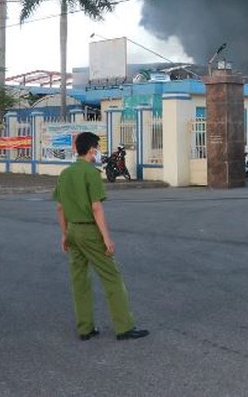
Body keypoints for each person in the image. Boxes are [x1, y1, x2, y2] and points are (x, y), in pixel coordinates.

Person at [53, 131, 149, 341]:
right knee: (112, 277)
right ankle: (124, 327)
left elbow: (60, 208)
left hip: (72, 231)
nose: (98, 152)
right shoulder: (91, 173)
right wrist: (106, 237)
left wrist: (64, 234)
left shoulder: (65, 174)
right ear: (91, 149)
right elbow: (96, 208)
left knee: (80, 280)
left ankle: (85, 328)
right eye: (97, 148)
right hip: (89, 231)